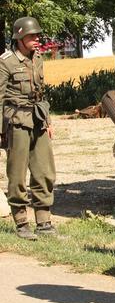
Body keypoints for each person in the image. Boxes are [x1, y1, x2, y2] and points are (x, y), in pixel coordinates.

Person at [0, 17, 56, 240]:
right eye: (32, 36)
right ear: (20, 38)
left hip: (38, 119)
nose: (37, 39)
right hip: (16, 122)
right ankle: (22, 223)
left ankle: (44, 223)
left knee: (44, 172)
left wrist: (48, 121)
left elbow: (40, 93)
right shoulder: (6, 62)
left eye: (37, 36)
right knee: (17, 174)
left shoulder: (38, 58)